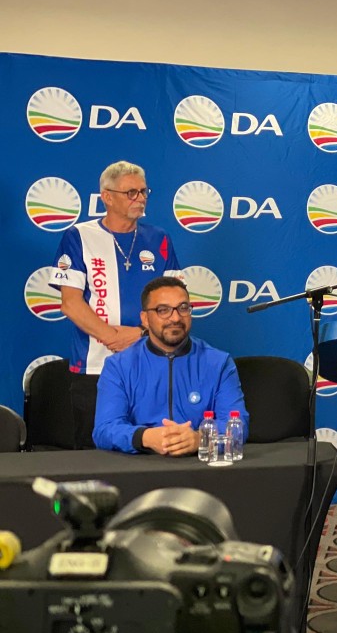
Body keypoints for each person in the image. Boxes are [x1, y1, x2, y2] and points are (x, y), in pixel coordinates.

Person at [49, 160, 182, 448]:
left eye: (144, 191)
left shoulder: (159, 238)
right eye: (131, 192)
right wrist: (113, 337)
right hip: (94, 368)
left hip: (151, 365)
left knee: (152, 449)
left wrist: (140, 335)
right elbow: (70, 303)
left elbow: (175, 300)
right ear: (107, 197)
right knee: (94, 454)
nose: (141, 198)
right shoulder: (79, 236)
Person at [93, 276, 248, 456]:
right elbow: (104, 429)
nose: (175, 318)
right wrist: (145, 437)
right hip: (140, 466)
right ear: (145, 318)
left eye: (183, 308)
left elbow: (237, 424)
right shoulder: (118, 366)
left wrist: (200, 438)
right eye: (163, 310)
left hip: (200, 466)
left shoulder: (219, 363)